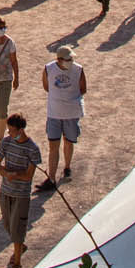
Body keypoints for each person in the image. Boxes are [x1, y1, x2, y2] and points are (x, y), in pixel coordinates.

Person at [0, 114, 44, 268]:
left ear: (21, 130)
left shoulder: (33, 149)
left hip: (21, 194)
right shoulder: (7, 142)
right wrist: (4, 173)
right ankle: (19, 247)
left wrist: (14, 175)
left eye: (12, 131)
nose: (10, 134)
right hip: (6, 191)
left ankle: (17, 262)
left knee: (18, 228)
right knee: (8, 224)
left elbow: (29, 175)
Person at [38, 47, 87, 192]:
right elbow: (46, 86)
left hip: (71, 113)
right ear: (59, 60)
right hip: (54, 113)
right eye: (68, 59)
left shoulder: (78, 69)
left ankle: (67, 166)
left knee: (68, 141)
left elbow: (83, 88)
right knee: (53, 145)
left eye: (71, 59)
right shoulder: (49, 69)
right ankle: (51, 177)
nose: (71, 61)